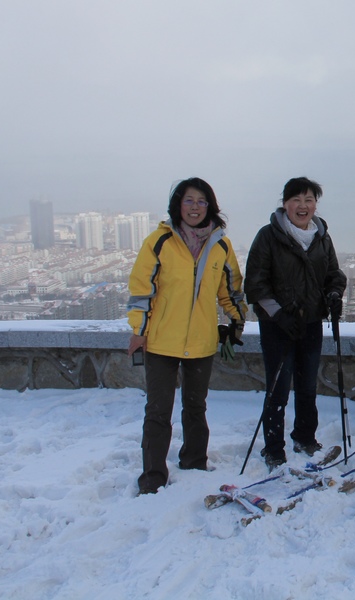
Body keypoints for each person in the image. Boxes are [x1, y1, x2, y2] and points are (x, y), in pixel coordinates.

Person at [128, 177, 247, 495]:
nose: (195, 207)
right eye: (189, 200)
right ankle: (153, 475)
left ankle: (194, 461)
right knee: (158, 411)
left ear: (211, 206)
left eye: (201, 201)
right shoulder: (160, 241)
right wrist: (138, 332)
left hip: (201, 341)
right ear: (178, 204)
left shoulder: (220, 245)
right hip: (161, 340)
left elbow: (231, 290)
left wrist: (236, 323)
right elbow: (142, 290)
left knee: (196, 406)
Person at [244, 177, 346, 470]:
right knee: (278, 387)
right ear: (285, 203)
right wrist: (278, 314)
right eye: (296, 200)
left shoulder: (321, 237)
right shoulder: (268, 236)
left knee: (307, 385)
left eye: (309, 200)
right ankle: (274, 447)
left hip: (311, 322)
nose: (303, 206)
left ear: (316, 204)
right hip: (278, 326)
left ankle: (305, 437)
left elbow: (333, 274)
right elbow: (256, 283)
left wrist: (335, 294)